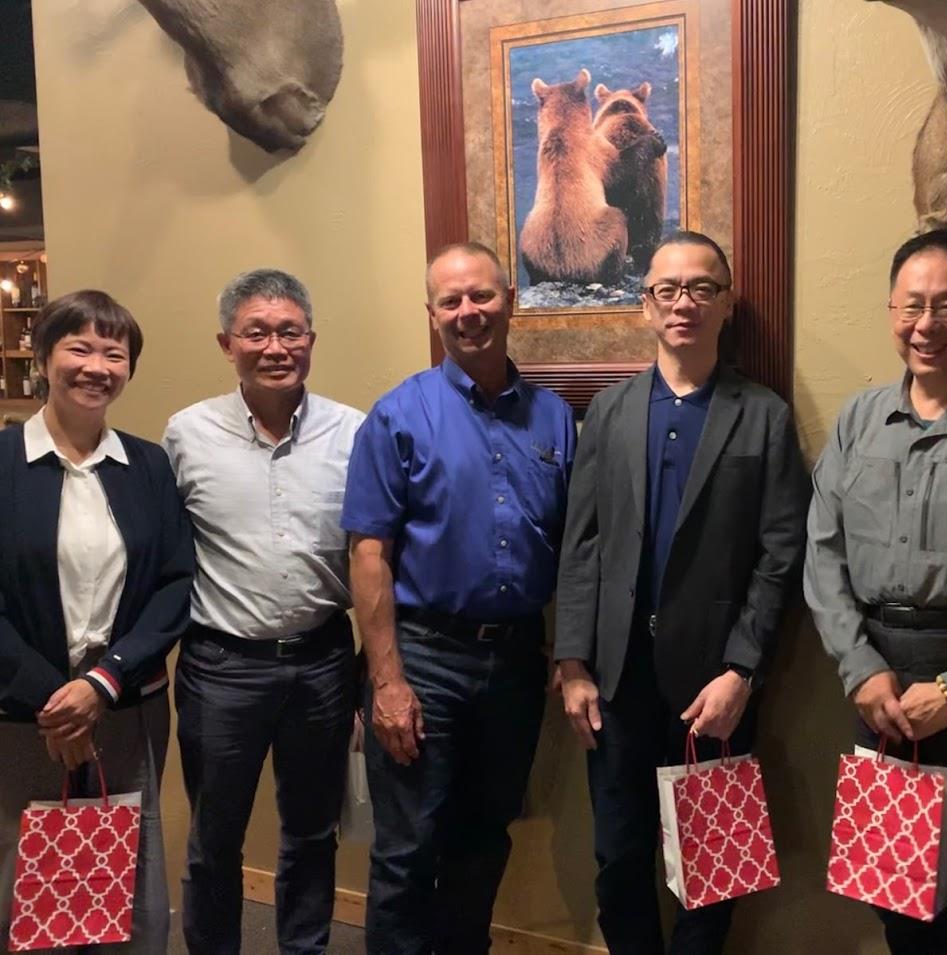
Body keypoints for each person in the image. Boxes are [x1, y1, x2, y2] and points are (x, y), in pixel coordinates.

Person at [554, 231, 808, 955]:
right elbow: (582, 543)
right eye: (667, 289)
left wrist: (743, 669)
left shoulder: (762, 415)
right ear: (645, 306)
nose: (683, 303)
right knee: (619, 856)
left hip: (716, 681)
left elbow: (780, 551)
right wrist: (572, 661)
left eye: (701, 288)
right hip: (616, 678)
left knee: (716, 867)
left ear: (726, 303)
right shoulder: (608, 412)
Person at [805, 229, 947, 953]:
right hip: (873, 671)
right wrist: (859, 667)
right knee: (893, 885)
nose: (925, 326)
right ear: (889, 311)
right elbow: (822, 553)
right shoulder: (859, 418)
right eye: (911, 306)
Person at [342, 241, 576, 955]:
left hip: (512, 664)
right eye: (451, 300)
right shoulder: (398, 415)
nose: (468, 312)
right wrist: (386, 681)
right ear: (432, 313)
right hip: (424, 659)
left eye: (481, 295)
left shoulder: (555, 420)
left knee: (482, 838)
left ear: (510, 300)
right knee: (408, 849)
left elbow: (574, 550)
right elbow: (368, 553)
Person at [163, 269, 365, 955]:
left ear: (310, 339)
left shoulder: (352, 432)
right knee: (215, 837)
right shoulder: (186, 434)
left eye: (289, 331)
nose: (274, 345)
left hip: (322, 662)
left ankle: (303, 947)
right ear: (228, 343)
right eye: (256, 331)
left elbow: (374, 553)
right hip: (222, 667)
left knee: (312, 831)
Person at [0, 290, 195, 953]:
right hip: (23, 713)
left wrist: (101, 683)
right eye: (79, 347)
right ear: (43, 356)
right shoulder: (2, 463)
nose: (97, 365)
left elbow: (174, 584)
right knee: (27, 881)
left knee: (125, 872)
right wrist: (54, 701)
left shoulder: (146, 466)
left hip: (125, 702)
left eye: (115, 352)